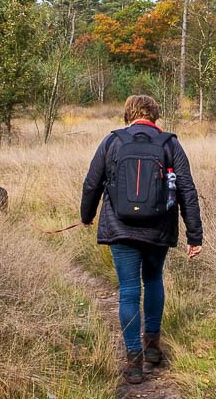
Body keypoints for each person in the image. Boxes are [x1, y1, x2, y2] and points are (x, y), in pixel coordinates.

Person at [80, 95, 203, 384]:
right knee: (153, 280)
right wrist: (194, 234)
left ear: (128, 115)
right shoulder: (170, 143)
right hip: (158, 229)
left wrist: (86, 216)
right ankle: (152, 347)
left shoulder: (112, 142)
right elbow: (187, 189)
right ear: (155, 117)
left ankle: (134, 361)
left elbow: (91, 183)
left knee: (129, 291)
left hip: (120, 228)